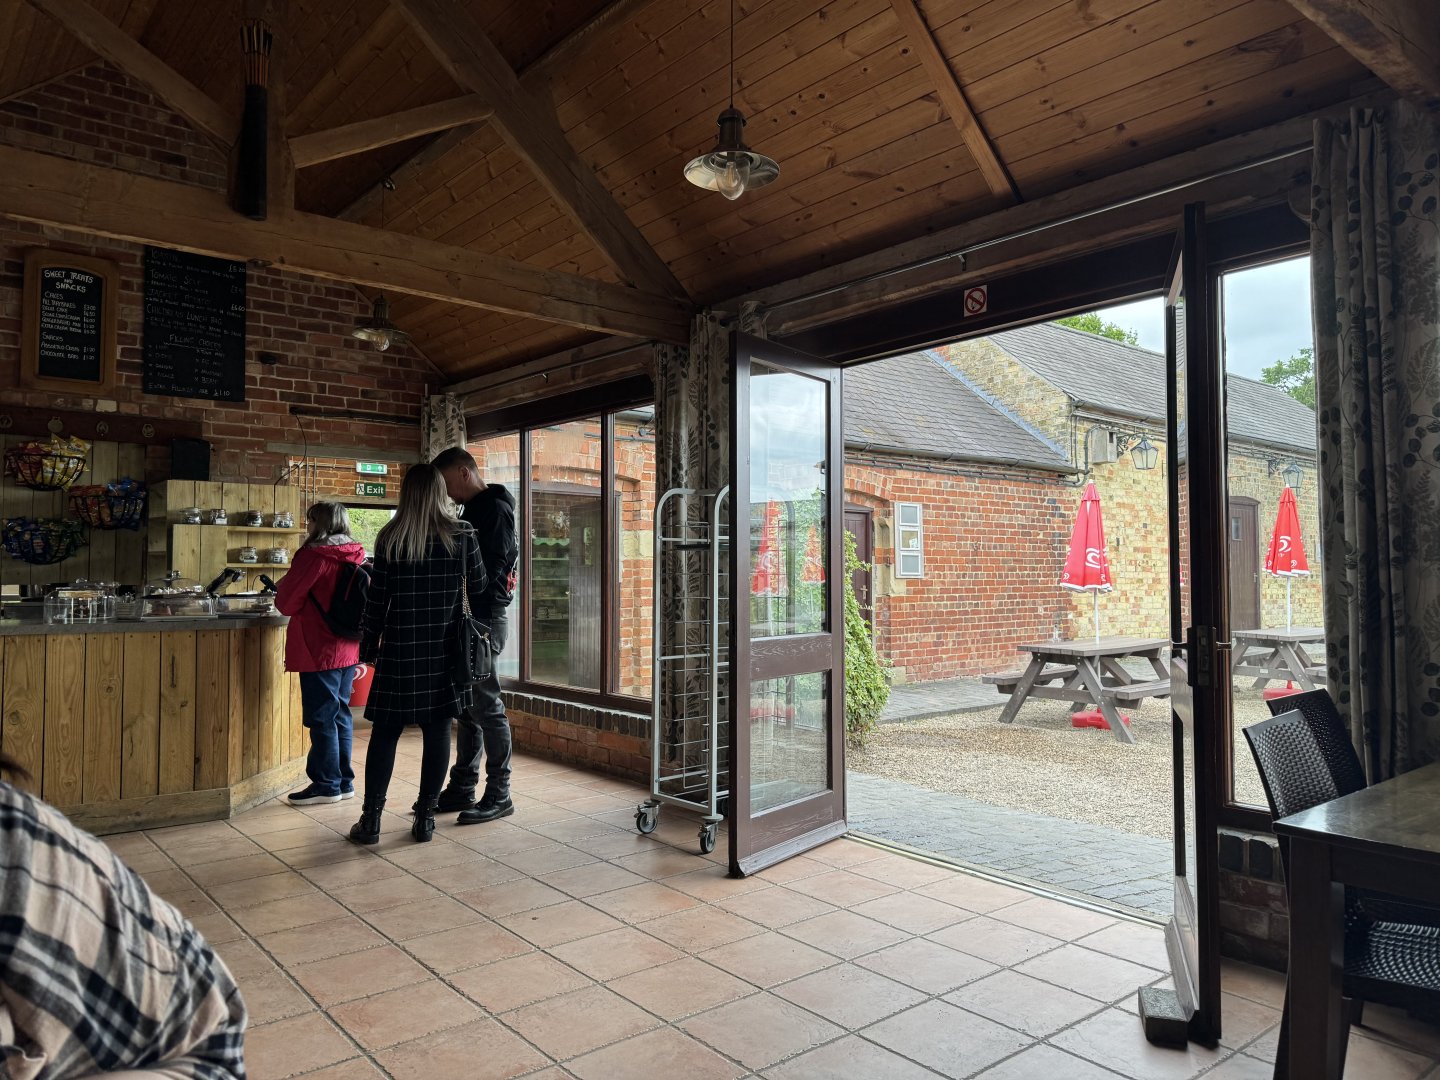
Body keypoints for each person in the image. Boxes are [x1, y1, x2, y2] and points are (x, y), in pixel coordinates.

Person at [0, 753, 247, 1079]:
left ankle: (333, 785)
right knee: (332, 718)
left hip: (191, 1043)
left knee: (330, 717)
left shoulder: (16, 834)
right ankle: (334, 785)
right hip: (179, 1027)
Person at [353, 464, 487, 845]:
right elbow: (478, 587)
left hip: (400, 648)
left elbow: (376, 602)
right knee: (439, 730)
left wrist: (368, 645)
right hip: (446, 649)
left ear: (407, 493)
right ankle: (425, 819)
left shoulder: (391, 537)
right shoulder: (463, 535)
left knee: (385, 733)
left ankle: (371, 821)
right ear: (440, 491)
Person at [430, 446, 519, 825]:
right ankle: (463, 785)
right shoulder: (474, 510)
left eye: (448, 483)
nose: (447, 493)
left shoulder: (494, 509)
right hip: (471, 617)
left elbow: (495, 572)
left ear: (464, 473)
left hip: (483, 620)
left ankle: (500, 793)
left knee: (486, 705)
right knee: (467, 707)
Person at [274, 501, 366, 806]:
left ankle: (326, 784)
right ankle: (343, 781)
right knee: (340, 714)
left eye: (310, 520)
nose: (307, 526)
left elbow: (286, 603)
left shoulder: (314, 556)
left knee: (322, 717)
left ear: (320, 523)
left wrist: (283, 587)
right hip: (348, 646)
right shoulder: (355, 553)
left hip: (318, 647)